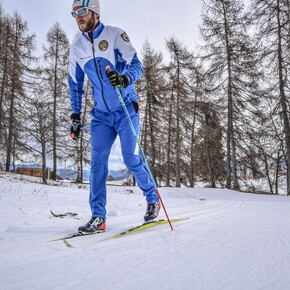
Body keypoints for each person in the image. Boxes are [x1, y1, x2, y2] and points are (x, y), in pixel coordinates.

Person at [69, 0, 160, 234]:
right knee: (98, 163)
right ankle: (98, 217)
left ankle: (152, 198)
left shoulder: (115, 35)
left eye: (82, 11)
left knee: (131, 159)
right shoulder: (77, 48)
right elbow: (75, 85)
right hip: (101, 116)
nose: (78, 17)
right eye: (74, 13)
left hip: (125, 109)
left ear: (95, 13)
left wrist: (125, 79)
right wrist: (75, 116)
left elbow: (137, 65)